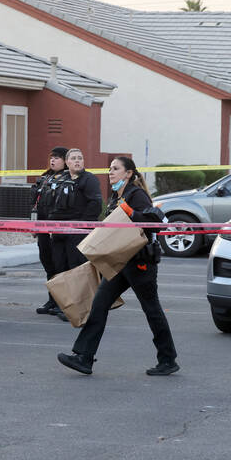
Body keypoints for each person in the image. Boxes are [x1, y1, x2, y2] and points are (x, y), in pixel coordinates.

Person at [58, 157, 179, 376]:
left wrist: (132, 213)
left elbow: (154, 225)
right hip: (120, 262)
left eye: (115, 169)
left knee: (152, 310)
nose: (110, 172)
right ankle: (84, 358)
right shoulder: (117, 196)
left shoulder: (136, 195)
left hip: (140, 263)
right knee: (99, 305)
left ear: (128, 173)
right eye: (110, 169)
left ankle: (168, 359)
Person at [47, 148, 102, 275]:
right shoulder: (59, 179)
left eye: (80, 158)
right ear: (67, 162)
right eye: (73, 158)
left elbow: (95, 205)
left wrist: (79, 226)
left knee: (77, 271)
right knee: (59, 270)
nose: (77, 161)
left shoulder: (89, 179)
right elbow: (52, 204)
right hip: (59, 233)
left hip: (78, 233)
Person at [32, 147, 69, 318]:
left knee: (60, 266)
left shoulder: (69, 178)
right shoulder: (45, 178)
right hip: (42, 228)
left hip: (59, 230)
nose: (53, 160)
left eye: (57, 157)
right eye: (52, 157)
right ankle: (52, 300)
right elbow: (36, 203)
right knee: (48, 265)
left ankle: (63, 302)